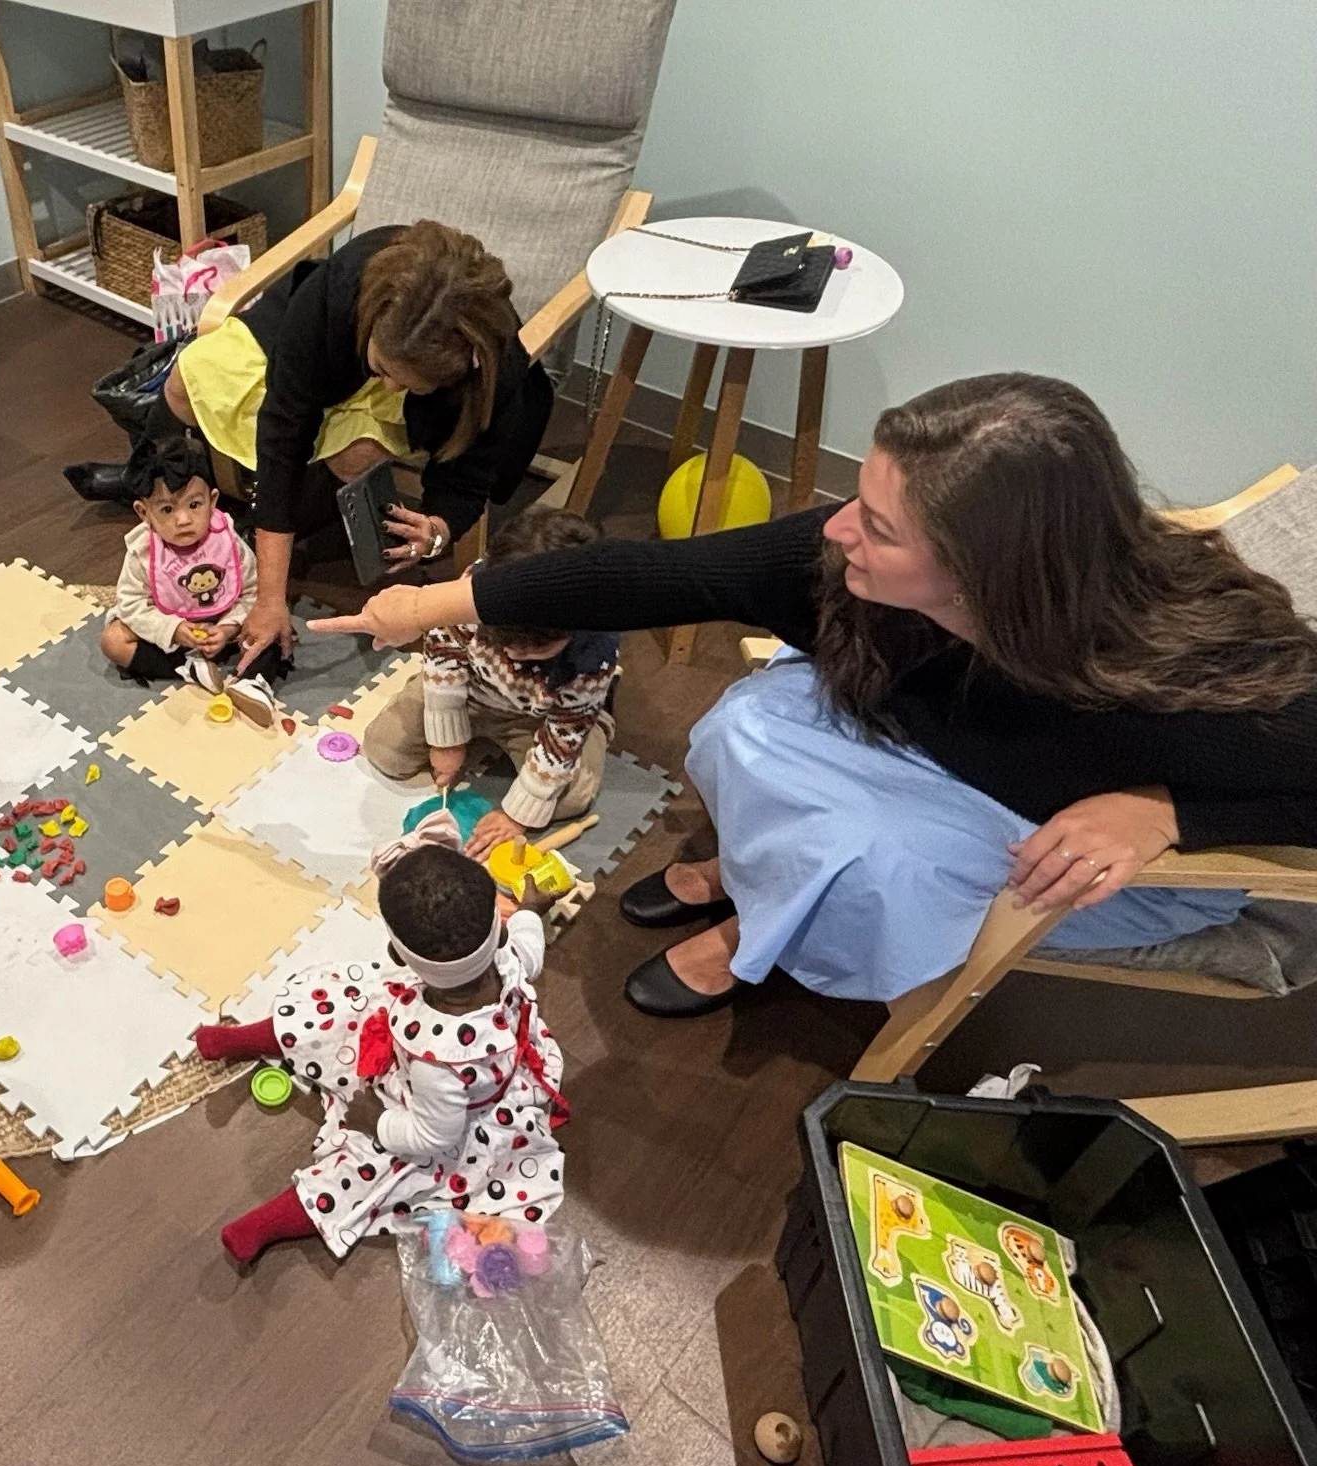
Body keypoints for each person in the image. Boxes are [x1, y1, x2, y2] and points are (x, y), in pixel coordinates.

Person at [313, 374, 1317, 1016]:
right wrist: (434, 602)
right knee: (746, 719)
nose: (837, 533)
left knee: (870, 863)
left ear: (982, 574)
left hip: (1046, 834)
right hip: (933, 744)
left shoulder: (1184, 673)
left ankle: (760, 931)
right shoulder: (846, 569)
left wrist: (1161, 811)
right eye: (857, 501)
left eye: (876, 527)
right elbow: (656, 574)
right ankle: (752, 876)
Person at [162, 220, 555, 674]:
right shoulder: (341, 290)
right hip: (325, 337)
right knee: (182, 385)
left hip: (407, 379)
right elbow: (283, 436)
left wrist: (438, 531)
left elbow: (468, 479)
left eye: (404, 383)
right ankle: (165, 476)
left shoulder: (494, 369)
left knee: (357, 454)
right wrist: (270, 598)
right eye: (382, 368)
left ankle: (270, 522)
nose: (387, 385)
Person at [198, 814, 566, 1264]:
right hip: (427, 1048)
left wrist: (378, 1123)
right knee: (337, 1009)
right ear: (497, 927)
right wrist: (531, 910)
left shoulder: (439, 1067)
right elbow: (531, 951)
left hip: (447, 1116)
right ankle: (247, 1039)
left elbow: (433, 1136)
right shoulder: (506, 955)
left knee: (369, 1171)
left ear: (400, 952)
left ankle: (270, 1222)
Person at [362, 510, 619, 858]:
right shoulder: (474, 590)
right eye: (505, 642)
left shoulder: (592, 654)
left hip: (541, 717)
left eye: (536, 649)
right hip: (470, 691)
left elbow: (561, 740)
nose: (515, 652)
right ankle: (465, 731)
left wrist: (516, 815)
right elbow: (444, 652)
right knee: (384, 751)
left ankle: (596, 721)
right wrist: (446, 740)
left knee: (573, 796)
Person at [98, 427, 286, 686]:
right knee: (113, 640)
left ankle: (253, 683)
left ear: (213, 501)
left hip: (225, 626)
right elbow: (131, 605)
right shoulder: (143, 550)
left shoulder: (226, 539)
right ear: (144, 513)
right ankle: (189, 669)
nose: (183, 520)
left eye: (194, 505)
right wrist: (173, 630)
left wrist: (228, 628)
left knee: (274, 624)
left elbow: (254, 594)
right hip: (173, 635)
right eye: (166, 509)